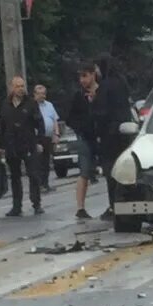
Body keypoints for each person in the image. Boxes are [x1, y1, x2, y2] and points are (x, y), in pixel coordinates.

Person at [92, 55, 133, 221]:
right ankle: (125, 202)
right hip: (125, 132)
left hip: (110, 135)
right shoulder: (122, 82)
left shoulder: (105, 86)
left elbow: (101, 112)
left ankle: (113, 205)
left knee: (111, 171)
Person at [0, 76, 45, 216]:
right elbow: (2, 126)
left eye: (22, 86)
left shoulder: (30, 103)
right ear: (12, 88)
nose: (21, 89)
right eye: (18, 86)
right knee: (14, 176)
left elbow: (40, 123)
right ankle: (16, 206)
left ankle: (36, 203)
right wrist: (1, 146)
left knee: (33, 174)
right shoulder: (6, 105)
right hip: (12, 146)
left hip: (28, 144)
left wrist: (39, 142)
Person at [65, 62, 99, 220]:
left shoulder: (103, 91)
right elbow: (70, 118)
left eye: (85, 76)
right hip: (85, 137)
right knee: (83, 171)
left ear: (93, 74)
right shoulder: (78, 96)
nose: (82, 80)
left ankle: (113, 204)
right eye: (80, 76)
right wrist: (81, 128)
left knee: (109, 169)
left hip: (102, 136)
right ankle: (80, 208)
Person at [33, 84, 60, 193]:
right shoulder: (32, 106)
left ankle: (45, 183)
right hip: (37, 137)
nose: (42, 96)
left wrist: (56, 133)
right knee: (38, 161)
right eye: (40, 94)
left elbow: (54, 120)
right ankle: (39, 185)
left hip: (48, 137)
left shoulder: (49, 105)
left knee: (46, 161)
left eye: (44, 94)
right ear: (35, 94)